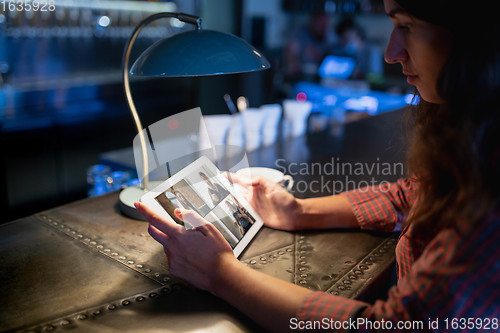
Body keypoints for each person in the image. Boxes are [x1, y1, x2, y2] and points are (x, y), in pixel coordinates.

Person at [135, 0, 500, 331]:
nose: (392, 53)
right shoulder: (472, 144)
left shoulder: (488, 192)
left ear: (475, 35)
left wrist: (220, 273)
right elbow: (409, 195)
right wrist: (298, 211)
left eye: (405, 26)